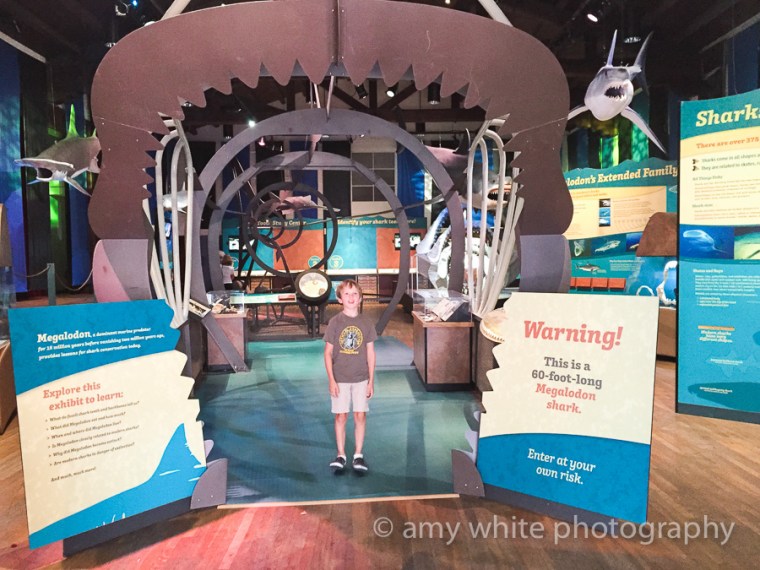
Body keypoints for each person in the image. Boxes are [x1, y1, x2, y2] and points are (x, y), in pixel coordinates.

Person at [323, 279, 377, 473]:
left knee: (360, 415)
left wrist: (371, 381)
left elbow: (370, 353)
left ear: (360, 298)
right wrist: (331, 380)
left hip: (361, 378)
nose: (351, 297)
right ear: (340, 299)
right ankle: (341, 454)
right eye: (346, 294)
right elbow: (328, 353)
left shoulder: (366, 323)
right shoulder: (335, 323)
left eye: (355, 294)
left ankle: (358, 455)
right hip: (340, 378)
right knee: (341, 416)